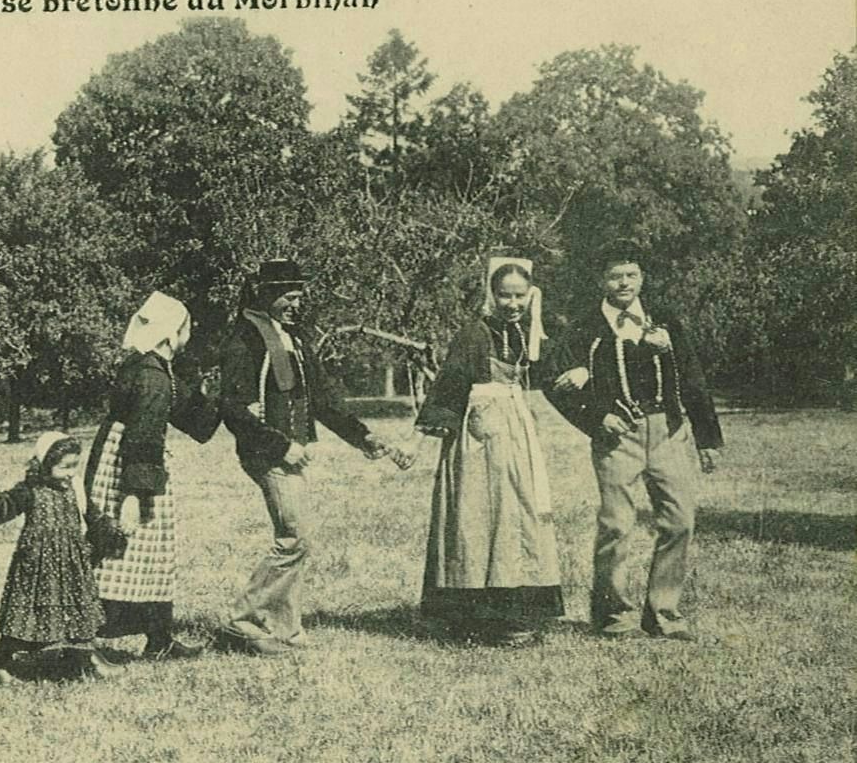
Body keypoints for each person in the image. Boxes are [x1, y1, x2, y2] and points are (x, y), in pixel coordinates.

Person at [218, 258, 400, 655]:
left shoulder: (293, 338)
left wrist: (363, 437)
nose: (294, 304)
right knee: (294, 538)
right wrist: (282, 446)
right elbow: (233, 409)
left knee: (299, 538)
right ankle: (241, 620)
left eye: (298, 296)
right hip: (266, 453)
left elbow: (321, 399)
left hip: (289, 452)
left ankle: (285, 627)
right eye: (287, 296)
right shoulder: (244, 340)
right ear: (265, 295)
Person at [545, 240, 722, 641]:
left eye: (631, 275)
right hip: (618, 435)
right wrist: (595, 417)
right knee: (617, 525)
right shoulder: (582, 327)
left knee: (680, 520)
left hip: (669, 432)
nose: (624, 283)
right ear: (600, 280)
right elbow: (552, 381)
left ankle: (664, 613)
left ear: (641, 278)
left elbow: (692, 376)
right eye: (615, 275)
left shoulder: (665, 322)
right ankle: (615, 617)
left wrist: (707, 437)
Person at [405, 257, 564, 647]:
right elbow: (451, 385)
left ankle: (513, 615)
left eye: (519, 296)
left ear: (530, 295)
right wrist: (421, 439)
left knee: (518, 517)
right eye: (504, 295)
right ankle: (471, 618)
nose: (512, 303)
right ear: (492, 295)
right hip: (478, 440)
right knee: (477, 519)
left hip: (515, 437)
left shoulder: (526, 332)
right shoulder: (474, 333)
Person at [85, 292, 221, 660]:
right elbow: (143, 435)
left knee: (153, 551)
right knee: (124, 549)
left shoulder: (152, 368)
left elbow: (193, 420)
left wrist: (211, 397)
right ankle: (89, 637)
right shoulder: (152, 376)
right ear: (171, 331)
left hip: (129, 462)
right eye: (186, 328)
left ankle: (159, 640)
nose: (189, 335)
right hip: (131, 466)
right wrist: (133, 495)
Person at [0, 433, 121, 683]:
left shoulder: (76, 489)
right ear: (45, 464)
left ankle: (85, 658)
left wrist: (113, 529)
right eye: (64, 466)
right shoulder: (30, 490)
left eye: (74, 465)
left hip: (72, 564)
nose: (70, 472)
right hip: (37, 567)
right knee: (27, 616)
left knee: (78, 611)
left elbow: (92, 516)